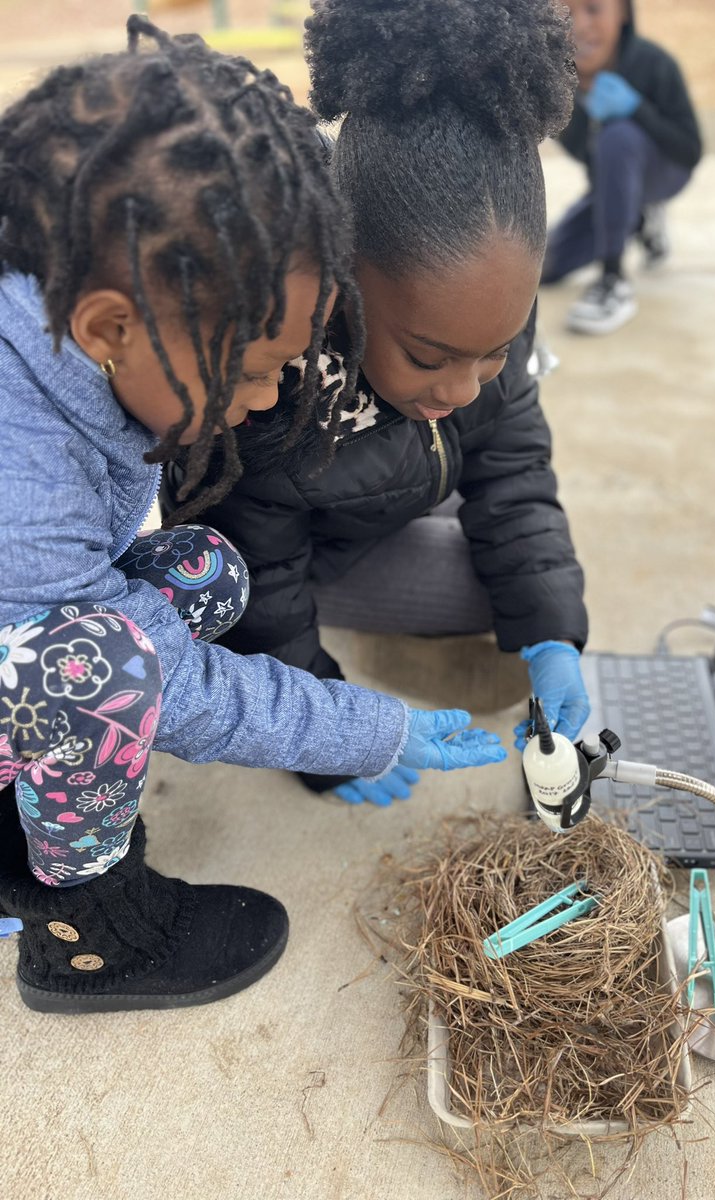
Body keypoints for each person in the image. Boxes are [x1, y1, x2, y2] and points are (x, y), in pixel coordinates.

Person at [0, 18, 506, 1015]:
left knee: (202, 570)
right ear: (110, 325)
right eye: (257, 366)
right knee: (101, 675)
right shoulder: (19, 458)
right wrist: (362, 729)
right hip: (47, 656)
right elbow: (152, 686)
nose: (273, 398)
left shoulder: (65, 336)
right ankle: (90, 933)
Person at [167, 0, 592, 810]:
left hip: (391, 491)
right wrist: (332, 734)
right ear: (341, 283)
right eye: (429, 357)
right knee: (460, 596)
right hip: (300, 552)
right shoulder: (270, 382)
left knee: (531, 591)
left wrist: (549, 631)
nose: (467, 386)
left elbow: (512, 458)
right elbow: (261, 588)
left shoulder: (484, 304)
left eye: (496, 350)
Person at [543, 0, 702, 335]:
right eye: (565, 12)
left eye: (593, 9)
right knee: (543, 267)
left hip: (665, 170)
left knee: (618, 136)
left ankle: (612, 280)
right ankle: (639, 217)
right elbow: (592, 168)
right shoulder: (554, 84)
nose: (580, 25)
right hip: (611, 183)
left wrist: (637, 110)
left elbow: (690, 151)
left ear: (624, 12)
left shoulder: (654, 63)